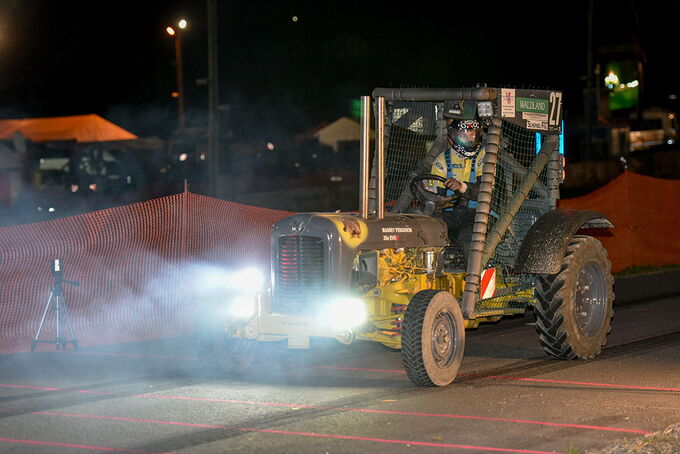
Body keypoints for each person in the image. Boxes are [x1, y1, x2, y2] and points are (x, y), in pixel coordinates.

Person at [426, 115, 486, 263]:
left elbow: (484, 191)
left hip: (477, 214)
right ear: (453, 135)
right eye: (464, 135)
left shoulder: (484, 156)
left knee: (468, 236)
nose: (470, 139)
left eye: (473, 134)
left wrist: (461, 187)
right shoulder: (442, 160)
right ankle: (432, 269)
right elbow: (434, 195)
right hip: (450, 214)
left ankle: (473, 274)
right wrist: (431, 194)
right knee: (430, 231)